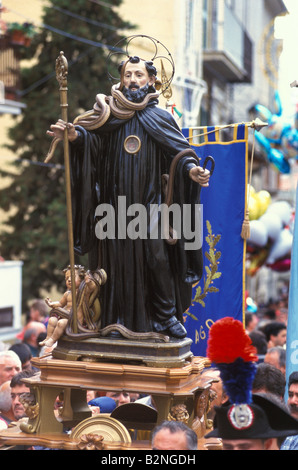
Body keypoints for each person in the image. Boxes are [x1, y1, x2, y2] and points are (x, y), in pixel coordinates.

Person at [47, 52, 210, 340]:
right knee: (114, 264)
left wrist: (193, 170)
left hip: (150, 206)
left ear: (151, 81)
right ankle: (115, 321)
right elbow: (92, 142)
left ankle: (166, 316)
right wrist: (77, 138)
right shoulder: (108, 116)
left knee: (157, 258)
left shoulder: (160, 118)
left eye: (138, 75)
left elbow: (180, 154)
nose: (132, 80)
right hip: (113, 206)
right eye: (127, 75)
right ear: (121, 80)